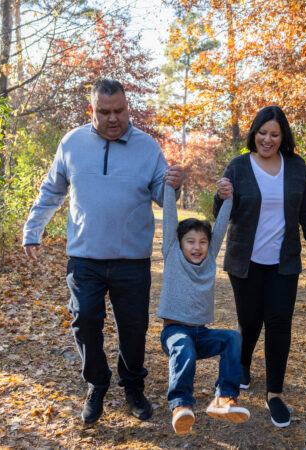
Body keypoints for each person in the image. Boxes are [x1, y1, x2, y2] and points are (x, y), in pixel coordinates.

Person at [22, 79, 184, 424]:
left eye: (119, 111)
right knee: (84, 323)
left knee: (133, 328)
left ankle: (132, 387)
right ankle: (97, 383)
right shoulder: (72, 143)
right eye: (104, 112)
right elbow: (52, 190)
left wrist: (173, 184)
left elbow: (161, 194)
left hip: (132, 260)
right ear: (91, 110)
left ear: (128, 108)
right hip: (85, 258)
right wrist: (32, 231)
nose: (113, 118)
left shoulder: (147, 146)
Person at [213, 105, 306, 428]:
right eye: (262, 133)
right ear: (254, 133)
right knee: (249, 320)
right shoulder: (239, 166)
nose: (268, 139)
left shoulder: (297, 167)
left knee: (279, 324)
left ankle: (274, 393)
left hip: (283, 263)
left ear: (282, 136)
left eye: (274, 134)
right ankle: (243, 364)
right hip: (245, 262)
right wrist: (220, 197)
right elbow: (222, 211)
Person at [157, 179, 250, 434]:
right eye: (190, 241)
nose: (196, 247)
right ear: (179, 243)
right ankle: (181, 406)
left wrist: (228, 197)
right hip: (174, 332)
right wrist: (169, 186)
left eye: (202, 242)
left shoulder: (209, 260)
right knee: (183, 345)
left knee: (232, 338)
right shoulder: (172, 253)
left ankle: (224, 399)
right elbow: (169, 218)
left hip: (202, 333)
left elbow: (221, 226)